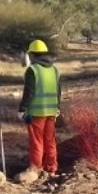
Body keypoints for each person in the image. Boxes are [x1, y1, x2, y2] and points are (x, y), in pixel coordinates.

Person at [17, 39, 61, 182]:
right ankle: (51, 169)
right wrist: (57, 108)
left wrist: (22, 109)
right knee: (50, 141)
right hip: (52, 112)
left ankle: (35, 169)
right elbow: (59, 91)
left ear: (33, 54)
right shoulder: (54, 70)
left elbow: (29, 91)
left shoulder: (33, 70)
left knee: (37, 142)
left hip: (36, 113)